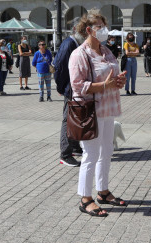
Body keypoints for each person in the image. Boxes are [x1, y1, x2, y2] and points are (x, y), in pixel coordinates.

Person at [68, 12, 127, 217]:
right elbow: (77, 86)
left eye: (104, 25)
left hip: (108, 108)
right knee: (91, 155)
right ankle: (85, 198)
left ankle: (103, 191)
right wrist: (104, 85)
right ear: (88, 30)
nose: (104, 30)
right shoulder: (79, 54)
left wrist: (119, 82)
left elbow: (111, 75)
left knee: (107, 151)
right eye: (99, 26)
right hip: (90, 111)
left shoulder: (106, 51)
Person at [54, 25, 86, 167]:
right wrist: (61, 87)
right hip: (70, 88)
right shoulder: (69, 44)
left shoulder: (75, 44)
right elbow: (59, 68)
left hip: (74, 88)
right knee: (67, 119)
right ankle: (65, 154)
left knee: (75, 118)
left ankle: (74, 146)